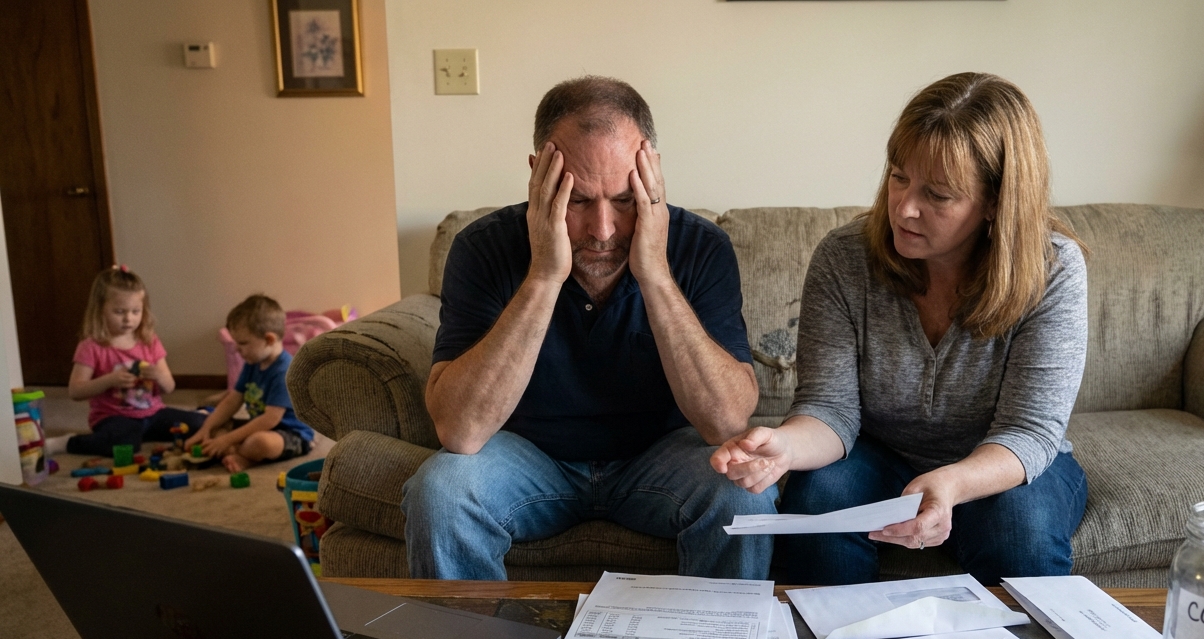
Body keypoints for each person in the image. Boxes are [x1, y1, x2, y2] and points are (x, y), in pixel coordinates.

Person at [711, 72, 1089, 586]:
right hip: (878, 453)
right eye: (898, 176)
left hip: (1000, 462)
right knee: (816, 500)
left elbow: (1030, 432)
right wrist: (785, 448)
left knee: (1020, 529)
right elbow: (830, 408)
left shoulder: (1053, 270)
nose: (904, 208)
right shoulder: (844, 259)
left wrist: (951, 483)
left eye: (938, 194)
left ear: (996, 202)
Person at [404, 75, 775, 581]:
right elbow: (461, 432)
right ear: (539, 175)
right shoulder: (481, 247)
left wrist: (655, 276)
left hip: (661, 458)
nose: (603, 230)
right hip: (527, 460)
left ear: (653, 174)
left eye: (624, 200)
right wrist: (543, 276)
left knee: (744, 490)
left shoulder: (701, 247)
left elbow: (727, 424)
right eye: (578, 201)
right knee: (441, 489)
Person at [50, 266, 207, 456]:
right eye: (119, 311)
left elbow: (169, 387)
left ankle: (201, 412)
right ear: (100, 309)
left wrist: (158, 376)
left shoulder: (149, 340)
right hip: (114, 417)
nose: (128, 319)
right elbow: (75, 391)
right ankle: (67, 442)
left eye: (135, 311)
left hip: (154, 414)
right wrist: (110, 380)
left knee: (202, 424)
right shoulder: (91, 346)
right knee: (125, 445)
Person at [186, 294, 314, 472]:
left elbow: (270, 420)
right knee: (213, 422)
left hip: (290, 434)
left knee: (259, 442)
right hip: (257, 426)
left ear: (269, 339)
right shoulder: (252, 363)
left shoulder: (285, 371)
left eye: (243, 343)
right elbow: (232, 400)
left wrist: (227, 440)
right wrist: (205, 430)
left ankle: (244, 457)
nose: (237, 349)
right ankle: (236, 451)